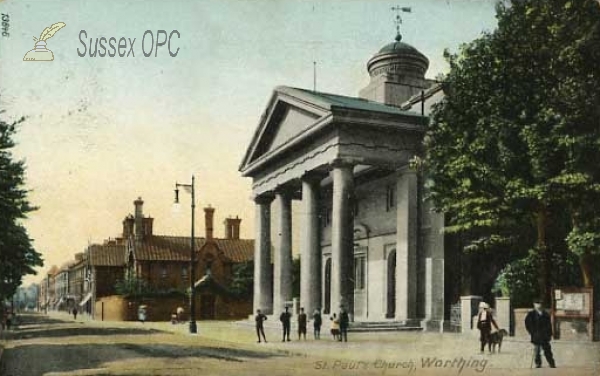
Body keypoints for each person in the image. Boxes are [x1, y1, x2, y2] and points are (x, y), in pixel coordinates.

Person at [525, 300, 556, 368]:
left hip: (544, 335)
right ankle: (538, 363)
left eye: (540, 303)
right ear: (534, 305)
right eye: (537, 304)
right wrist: (532, 332)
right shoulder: (531, 314)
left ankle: (551, 363)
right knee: (537, 351)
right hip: (536, 335)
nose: (538, 305)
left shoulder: (545, 314)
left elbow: (549, 325)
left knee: (547, 350)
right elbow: (528, 324)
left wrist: (549, 334)